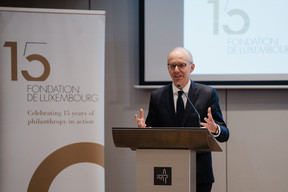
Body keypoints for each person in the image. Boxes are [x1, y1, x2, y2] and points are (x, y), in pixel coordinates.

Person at [134, 47, 229, 192]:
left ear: (192, 67)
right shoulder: (157, 96)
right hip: (166, 172)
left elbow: (225, 134)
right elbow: (152, 133)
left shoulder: (207, 93)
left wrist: (214, 128)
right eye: (172, 66)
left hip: (199, 174)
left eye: (181, 65)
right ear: (168, 69)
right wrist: (144, 132)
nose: (176, 70)